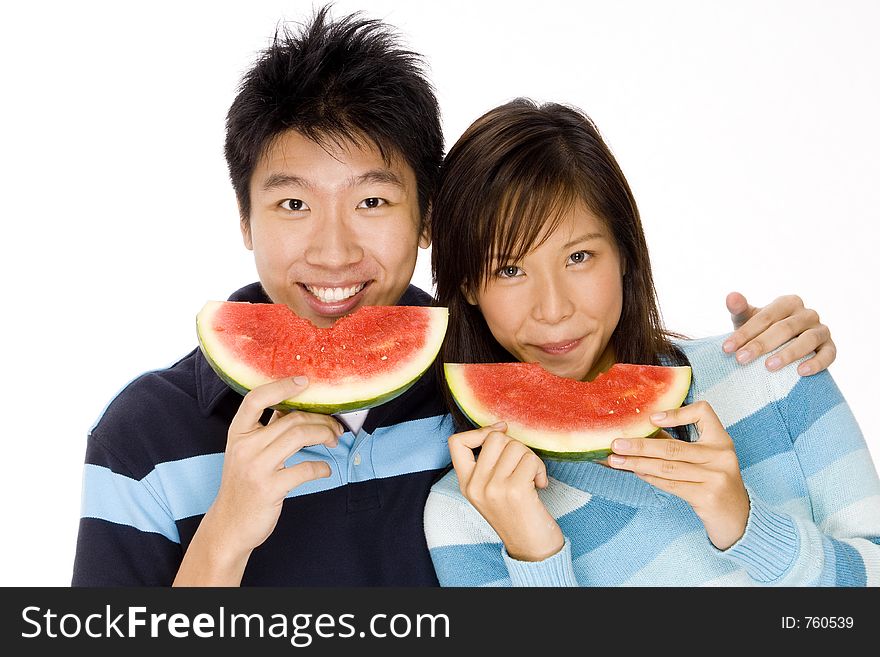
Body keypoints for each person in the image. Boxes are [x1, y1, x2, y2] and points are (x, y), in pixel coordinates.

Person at [72, 7, 839, 587]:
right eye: (294, 204)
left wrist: (767, 353)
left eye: (372, 202)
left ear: (429, 218)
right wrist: (224, 535)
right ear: (244, 217)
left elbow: (595, 342)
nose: (334, 250)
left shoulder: (491, 387)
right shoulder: (141, 439)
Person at [423, 98, 880, 586]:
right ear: (468, 285)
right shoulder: (469, 510)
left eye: (578, 256)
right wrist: (537, 557)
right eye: (510, 269)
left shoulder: (775, 370)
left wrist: (745, 524)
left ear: (623, 252)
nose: (552, 308)